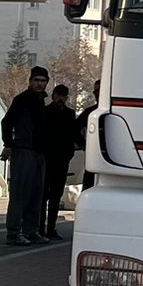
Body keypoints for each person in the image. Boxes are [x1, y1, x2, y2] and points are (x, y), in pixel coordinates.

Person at [1, 66, 50, 246]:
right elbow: (7, 122)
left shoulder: (41, 101)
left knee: (36, 194)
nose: (39, 84)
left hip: (38, 152)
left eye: (43, 81)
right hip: (24, 150)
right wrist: (9, 144)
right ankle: (14, 232)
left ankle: (30, 230)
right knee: (20, 193)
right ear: (30, 81)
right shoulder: (22, 100)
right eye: (36, 80)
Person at [41, 83, 80, 240]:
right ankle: (40, 227)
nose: (61, 99)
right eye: (58, 96)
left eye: (64, 97)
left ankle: (51, 228)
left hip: (62, 159)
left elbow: (74, 133)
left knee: (56, 196)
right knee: (43, 195)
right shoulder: (45, 112)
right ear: (53, 96)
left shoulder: (69, 114)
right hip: (47, 158)